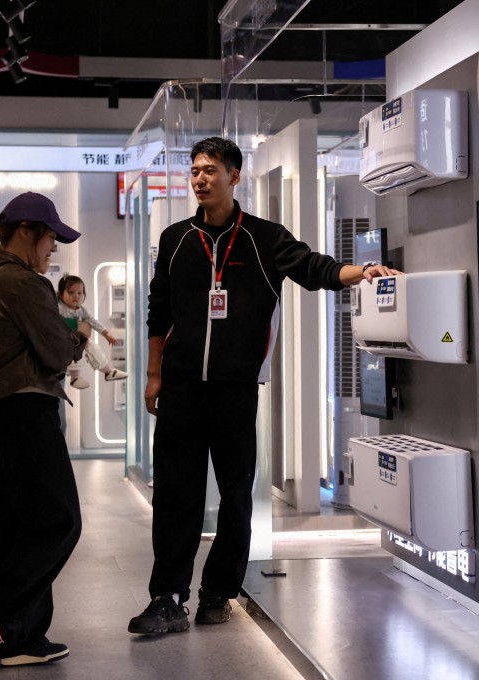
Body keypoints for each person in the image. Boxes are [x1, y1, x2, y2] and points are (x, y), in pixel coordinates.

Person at [128, 137, 399, 635]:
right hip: (182, 390)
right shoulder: (175, 240)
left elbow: (313, 267)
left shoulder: (262, 238)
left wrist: (360, 272)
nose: (199, 178)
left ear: (234, 176)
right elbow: (158, 310)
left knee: (235, 497)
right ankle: (166, 598)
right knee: (175, 496)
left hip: (235, 391)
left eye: (210, 170)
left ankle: (217, 591)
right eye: (194, 171)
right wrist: (153, 374)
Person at [0, 192, 87, 670]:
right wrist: (78, 337)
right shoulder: (24, 283)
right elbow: (55, 353)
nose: (54, 248)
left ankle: (18, 636)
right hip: (23, 412)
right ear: (27, 231)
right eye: (51, 237)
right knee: (59, 522)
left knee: (15, 527)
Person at [56, 274, 128, 389]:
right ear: (60, 294)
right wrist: (79, 327)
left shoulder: (81, 310)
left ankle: (108, 371)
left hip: (77, 340)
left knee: (94, 348)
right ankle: (75, 377)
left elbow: (92, 321)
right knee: (75, 354)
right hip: (62, 342)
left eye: (79, 293)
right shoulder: (58, 308)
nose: (76, 296)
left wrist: (105, 333)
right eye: (71, 292)